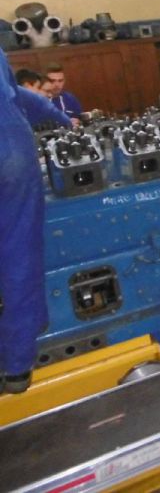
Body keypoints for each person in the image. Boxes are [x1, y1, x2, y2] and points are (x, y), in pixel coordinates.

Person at [0, 49, 48, 394]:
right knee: (20, 253)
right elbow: (18, 96)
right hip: (9, 149)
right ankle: (17, 365)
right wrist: (61, 118)